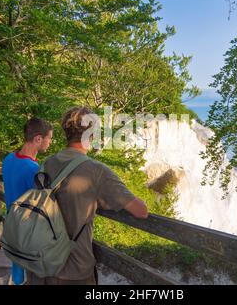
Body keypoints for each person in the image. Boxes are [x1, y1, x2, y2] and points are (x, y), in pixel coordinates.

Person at [26, 106, 148, 285]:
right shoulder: (97, 171)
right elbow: (141, 211)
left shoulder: (47, 163)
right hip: (73, 269)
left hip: (41, 263)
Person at [2, 118, 53, 285]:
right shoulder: (32, 170)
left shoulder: (8, 159)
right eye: (49, 138)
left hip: (12, 222)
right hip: (28, 228)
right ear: (38, 138)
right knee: (33, 274)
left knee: (17, 268)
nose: (50, 142)